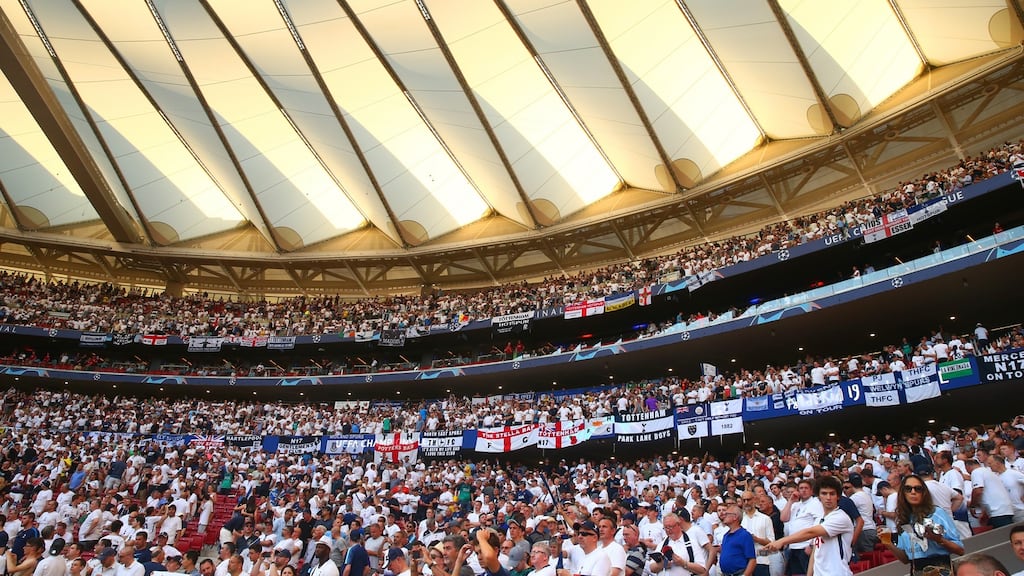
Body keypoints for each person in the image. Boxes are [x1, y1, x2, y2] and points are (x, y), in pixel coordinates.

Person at [763, 476, 853, 576]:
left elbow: (810, 533)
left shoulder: (840, 517)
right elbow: (815, 551)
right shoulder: (819, 520)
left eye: (832, 494)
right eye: (824, 493)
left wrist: (782, 541)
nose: (828, 498)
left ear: (838, 496)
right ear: (819, 496)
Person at [880, 475, 963, 575]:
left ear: (924, 493)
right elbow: (905, 559)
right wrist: (887, 542)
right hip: (916, 570)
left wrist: (939, 540)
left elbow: (960, 550)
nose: (913, 492)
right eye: (908, 489)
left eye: (918, 489)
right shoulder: (903, 519)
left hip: (940, 569)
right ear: (903, 493)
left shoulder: (937, 513)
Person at [778, 479, 822, 576]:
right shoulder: (796, 505)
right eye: (801, 488)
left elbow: (819, 524)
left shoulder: (815, 503)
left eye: (806, 488)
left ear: (811, 491)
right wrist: (790, 501)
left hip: (805, 546)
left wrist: (811, 544)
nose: (803, 490)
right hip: (793, 546)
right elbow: (783, 518)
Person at [715, 505, 754, 576]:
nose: (724, 515)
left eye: (727, 514)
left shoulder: (744, 535)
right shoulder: (726, 535)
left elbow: (752, 560)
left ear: (735, 517)